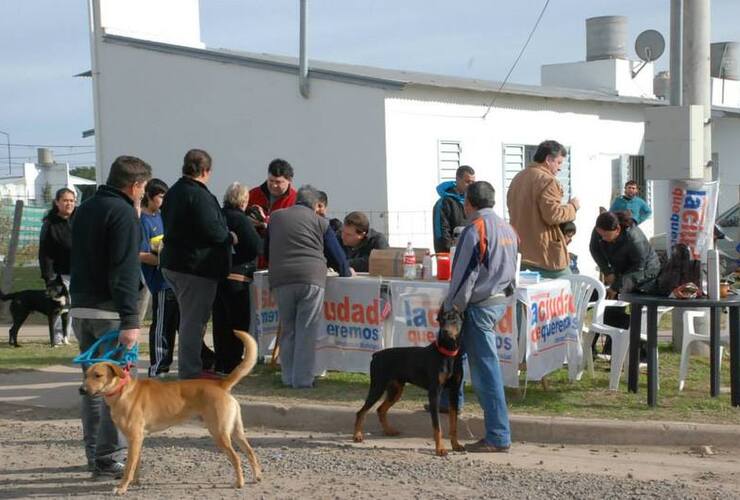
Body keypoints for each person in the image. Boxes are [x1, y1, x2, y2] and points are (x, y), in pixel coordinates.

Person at [69, 155, 151, 477]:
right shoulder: (123, 213)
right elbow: (124, 268)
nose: (142, 194)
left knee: (92, 386)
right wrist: (131, 320)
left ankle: (96, 456)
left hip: (81, 306)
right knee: (116, 389)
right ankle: (108, 457)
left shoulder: (85, 208)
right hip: (109, 312)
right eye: (142, 189)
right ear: (134, 186)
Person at [443, 181, 517, 453]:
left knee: (486, 372)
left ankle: (498, 435)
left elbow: (464, 275)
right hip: (497, 301)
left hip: (479, 305)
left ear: (468, 203)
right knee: (454, 355)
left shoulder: (475, 229)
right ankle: (448, 403)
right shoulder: (507, 228)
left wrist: (453, 307)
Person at [267, 185, 352, 388]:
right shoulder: (320, 222)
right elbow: (337, 256)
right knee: (306, 331)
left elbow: (266, 247)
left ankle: (288, 377)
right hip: (310, 279)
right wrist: (345, 272)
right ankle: (303, 380)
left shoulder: (276, 217)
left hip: (280, 279)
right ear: (315, 205)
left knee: (288, 330)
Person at [160, 149, 235, 380]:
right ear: (205, 171)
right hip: (195, 267)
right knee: (194, 322)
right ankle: (190, 373)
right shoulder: (198, 195)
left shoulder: (173, 192)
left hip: (174, 263)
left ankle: (193, 366)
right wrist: (229, 236)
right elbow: (212, 230)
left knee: (189, 319)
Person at [589, 211, 661, 358]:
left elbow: (638, 267)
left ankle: (643, 351)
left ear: (617, 230)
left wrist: (617, 285)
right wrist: (607, 271)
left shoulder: (634, 238)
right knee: (611, 304)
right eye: (600, 234)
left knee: (623, 299)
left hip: (645, 271)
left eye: (606, 236)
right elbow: (594, 249)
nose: (602, 238)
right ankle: (611, 348)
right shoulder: (600, 228)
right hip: (620, 268)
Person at [506, 140, 579, 278]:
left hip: (521, 250)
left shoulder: (518, 178)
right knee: (568, 288)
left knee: (529, 296)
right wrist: (573, 207)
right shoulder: (548, 180)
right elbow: (553, 215)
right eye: (558, 162)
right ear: (548, 160)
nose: (559, 168)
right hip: (545, 254)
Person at [212, 182, 261, 374]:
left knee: (220, 321)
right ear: (244, 200)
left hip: (218, 276)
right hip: (238, 276)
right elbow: (256, 246)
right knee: (238, 322)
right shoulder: (241, 220)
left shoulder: (218, 216)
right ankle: (233, 362)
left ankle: (221, 362)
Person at [139, 178, 179, 377]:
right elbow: (140, 254)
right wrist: (163, 260)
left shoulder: (163, 216)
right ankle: (158, 368)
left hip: (176, 280)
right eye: (161, 196)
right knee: (162, 325)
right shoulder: (142, 221)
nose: (164, 201)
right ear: (149, 196)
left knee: (178, 323)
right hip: (161, 282)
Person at [39, 187, 76, 344]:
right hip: (60, 273)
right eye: (65, 200)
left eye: (72, 201)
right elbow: (45, 253)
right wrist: (49, 276)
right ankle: (58, 336)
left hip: (81, 270)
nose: (69, 204)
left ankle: (70, 335)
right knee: (60, 306)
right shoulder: (50, 224)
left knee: (76, 304)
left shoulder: (81, 217)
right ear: (57, 202)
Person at [246, 158, 297, 233]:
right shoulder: (253, 194)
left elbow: (295, 227)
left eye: (278, 182)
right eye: (271, 180)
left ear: (289, 180)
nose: (274, 185)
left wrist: (265, 221)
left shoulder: (296, 200)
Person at [433, 165, 475, 253]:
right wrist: (453, 253)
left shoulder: (474, 201)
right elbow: (442, 236)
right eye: (467, 182)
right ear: (457, 180)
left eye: (473, 182)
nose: (470, 186)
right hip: (452, 256)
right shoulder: (444, 203)